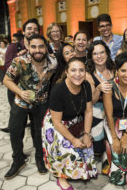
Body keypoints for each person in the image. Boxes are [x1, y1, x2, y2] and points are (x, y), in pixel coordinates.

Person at [3, 34, 57, 180]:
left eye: (41, 46)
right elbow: (6, 80)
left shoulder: (53, 62)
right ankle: (18, 160)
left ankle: (40, 158)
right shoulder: (19, 61)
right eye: (33, 47)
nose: (37, 50)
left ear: (46, 47)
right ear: (28, 47)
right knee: (15, 131)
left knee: (39, 132)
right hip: (21, 102)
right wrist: (20, 92)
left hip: (41, 103)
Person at [42, 57, 98, 190]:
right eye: (73, 70)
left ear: (86, 73)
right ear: (66, 72)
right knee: (66, 146)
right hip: (56, 123)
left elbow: (89, 111)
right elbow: (56, 122)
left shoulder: (86, 86)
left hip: (75, 118)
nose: (77, 74)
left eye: (81, 70)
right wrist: (72, 139)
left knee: (86, 143)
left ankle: (85, 170)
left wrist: (86, 134)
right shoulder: (58, 91)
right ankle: (61, 177)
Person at [102, 52, 127, 186]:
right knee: (117, 149)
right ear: (117, 70)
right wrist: (114, 138)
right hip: (112, 122)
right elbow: (108, 115)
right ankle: (110, 165)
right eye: (123, 70)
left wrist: (126, 135)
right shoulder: (109, 86)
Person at [0, 19, 40, 133]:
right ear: (23, 32)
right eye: (29, 29)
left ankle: (37, 147)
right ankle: (18, 150)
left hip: (36, 91)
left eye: (36, 29)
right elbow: (8, 67)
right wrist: (21, 61)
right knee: (17, 123)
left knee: (35, 122)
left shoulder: (42, 46)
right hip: (16, 90)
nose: (32, 31)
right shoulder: (14, 47)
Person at [86, 40, 115, 156]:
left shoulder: (114, 69)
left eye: (102, 52)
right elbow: (92, 101)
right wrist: (98, 88)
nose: (99, 56)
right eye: (95, 53)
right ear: (91, 57)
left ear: (107, 54)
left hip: (114, 107)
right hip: (97, 109)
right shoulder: (89, 74)